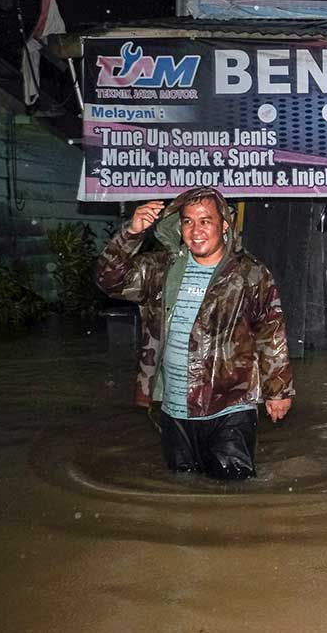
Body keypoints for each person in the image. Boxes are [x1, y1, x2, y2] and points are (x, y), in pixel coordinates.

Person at [96, 187, 294, 480]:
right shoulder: (160, 269)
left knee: (233, 488)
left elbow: (271, 331)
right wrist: (131, 234)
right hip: (174, 408)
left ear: (224, 225)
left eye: (205, 221)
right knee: (182, 487)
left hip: (230, 406)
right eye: (188, 221)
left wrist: (277, 390)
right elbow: (109, 280)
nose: (196, 230)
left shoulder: (250, 273)